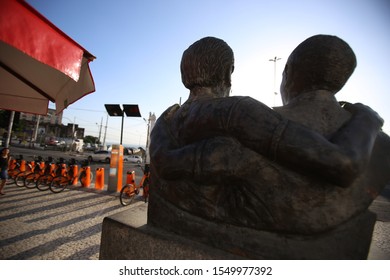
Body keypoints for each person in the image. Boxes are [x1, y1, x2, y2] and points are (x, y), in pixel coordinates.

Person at [148, 36, 384, 234]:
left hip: (182, 216)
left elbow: (165, 162)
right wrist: (368, 118)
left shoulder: (168, 119)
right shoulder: (237, 110)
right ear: (226, 74)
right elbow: (342, 163)